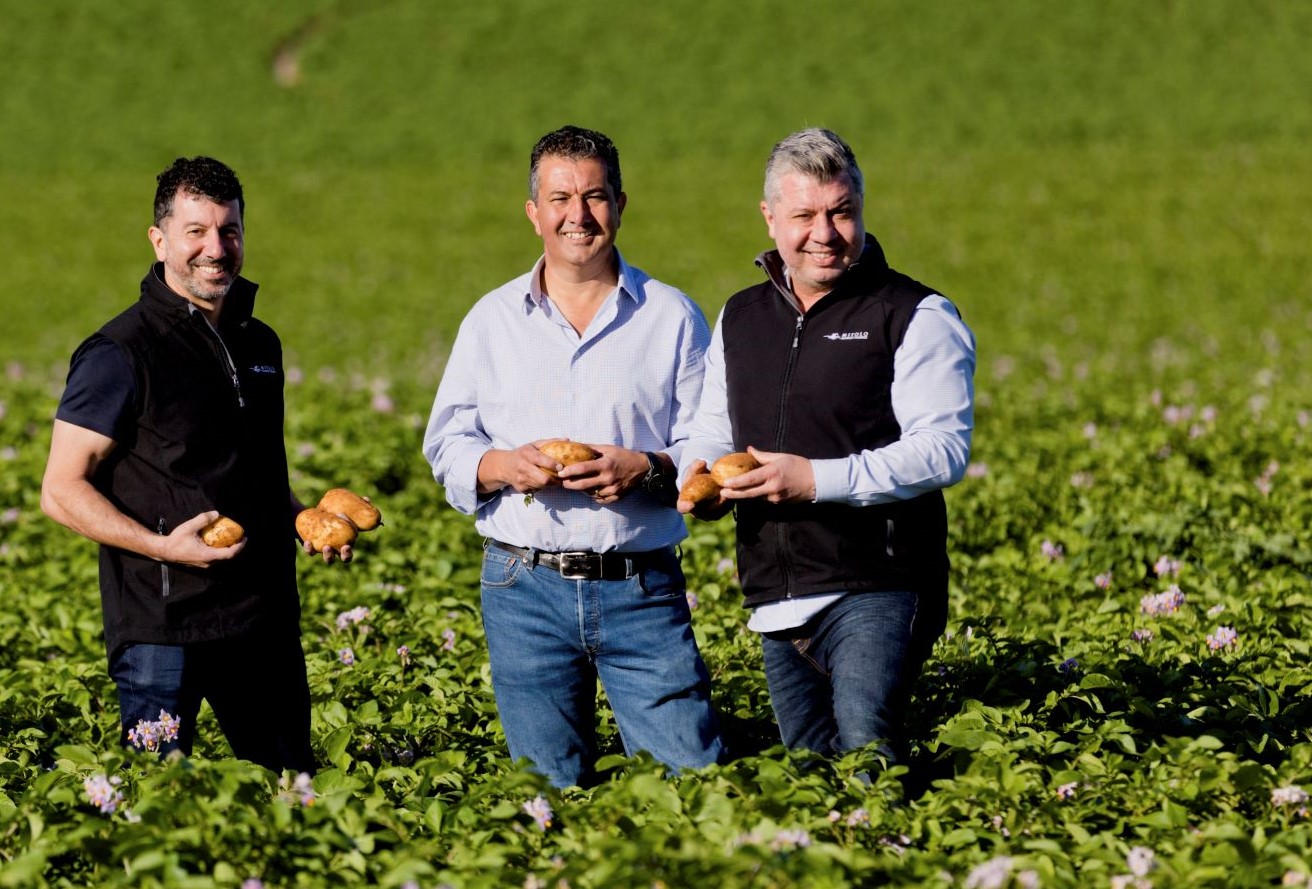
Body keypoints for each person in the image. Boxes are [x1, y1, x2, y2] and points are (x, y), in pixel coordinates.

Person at [423, 125, 723, 787]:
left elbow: (711, 442)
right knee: (545, 793)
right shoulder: (492, 321)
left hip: (640, 585)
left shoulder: (672, 317)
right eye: (560, 198)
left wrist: (645, 466)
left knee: (692, 784)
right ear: (534, 213)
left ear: (620, 204)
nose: (577, 215)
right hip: (522, 587)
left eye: (594, 196)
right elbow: (446, 442)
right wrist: (504, 467)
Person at [678, 128, 976, 763]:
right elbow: (712, 426)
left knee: (868, 756)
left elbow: (944, 449)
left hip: (879, 581)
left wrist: (814, 479)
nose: (825, 232)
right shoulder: (742, 315)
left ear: (862, 208)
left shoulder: (915, 314)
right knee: (812, 771)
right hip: (775, 593)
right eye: (805, 215)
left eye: (842, 212)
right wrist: (697, 475)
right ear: (769, 218)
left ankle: (899, 855)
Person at [40, 156, 339, 773]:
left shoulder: (260, 343)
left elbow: (253, 471)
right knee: (158, 799)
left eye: (229, 231)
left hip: (261, 618)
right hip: (163, 626)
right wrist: (162, 547)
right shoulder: (120, 352)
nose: (216, 248)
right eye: (196, 231)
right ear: (160, 240)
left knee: (295, 793)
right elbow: (61, 489)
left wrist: (301, 519)